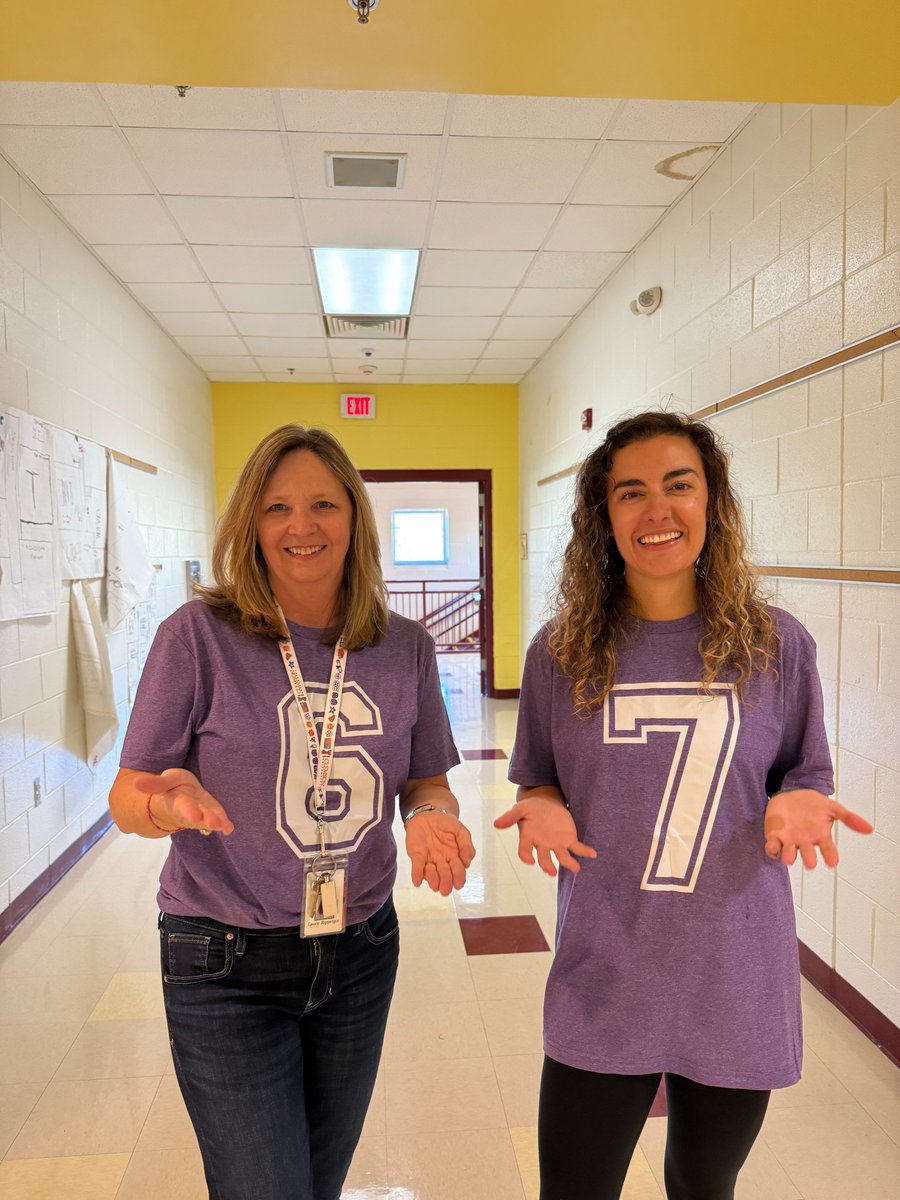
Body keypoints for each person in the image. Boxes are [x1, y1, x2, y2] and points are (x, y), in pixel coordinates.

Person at [494, 410, 872, 1200]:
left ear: (715, 503)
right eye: (630, 493)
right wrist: (542, 802)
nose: (656, 510)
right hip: (605, 967)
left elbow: (807, 771)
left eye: (679, 486)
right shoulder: (559, 652)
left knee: (704, 1184)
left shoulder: (777, 645)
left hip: (733, 972)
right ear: (604, 516)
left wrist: (803, 797)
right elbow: (537, 775)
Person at [109, 424, 475, 1200]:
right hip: (224, 958)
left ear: (354, 519)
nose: (301, 527)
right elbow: (127, 792)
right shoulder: (197, 638)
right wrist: (164, 801)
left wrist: (430, 815)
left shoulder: (405, 646)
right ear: (251, 524)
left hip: (362, 947)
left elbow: (427, 778)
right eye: (277, 507)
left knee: (318, 1182)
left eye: (322, 504)